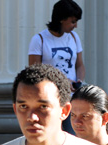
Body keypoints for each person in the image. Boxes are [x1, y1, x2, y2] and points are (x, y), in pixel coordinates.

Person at [28, 0, 84, 134]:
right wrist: (61, 83)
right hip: (50, 99)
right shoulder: (39, 39)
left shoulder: (74, 37)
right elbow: (34, 73)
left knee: (74, 136)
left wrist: (79, 81)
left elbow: (80, 66)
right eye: (73, 21)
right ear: (61, 19)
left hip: (72, 99)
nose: (75, 26)